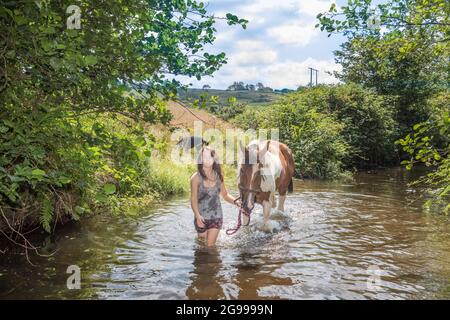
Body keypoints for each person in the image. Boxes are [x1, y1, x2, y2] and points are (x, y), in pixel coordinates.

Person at [190, 146, 241, 246]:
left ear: (214, 159)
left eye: (210, 157)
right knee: (201, 244)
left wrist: (236, 202)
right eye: (204, 157)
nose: (207, 160)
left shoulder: (219, 176)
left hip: (216, 216)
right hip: (201, 217)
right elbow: (193, 199)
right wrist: (197, 215)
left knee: (210, 247)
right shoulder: (195, 177)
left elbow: (225, 195)